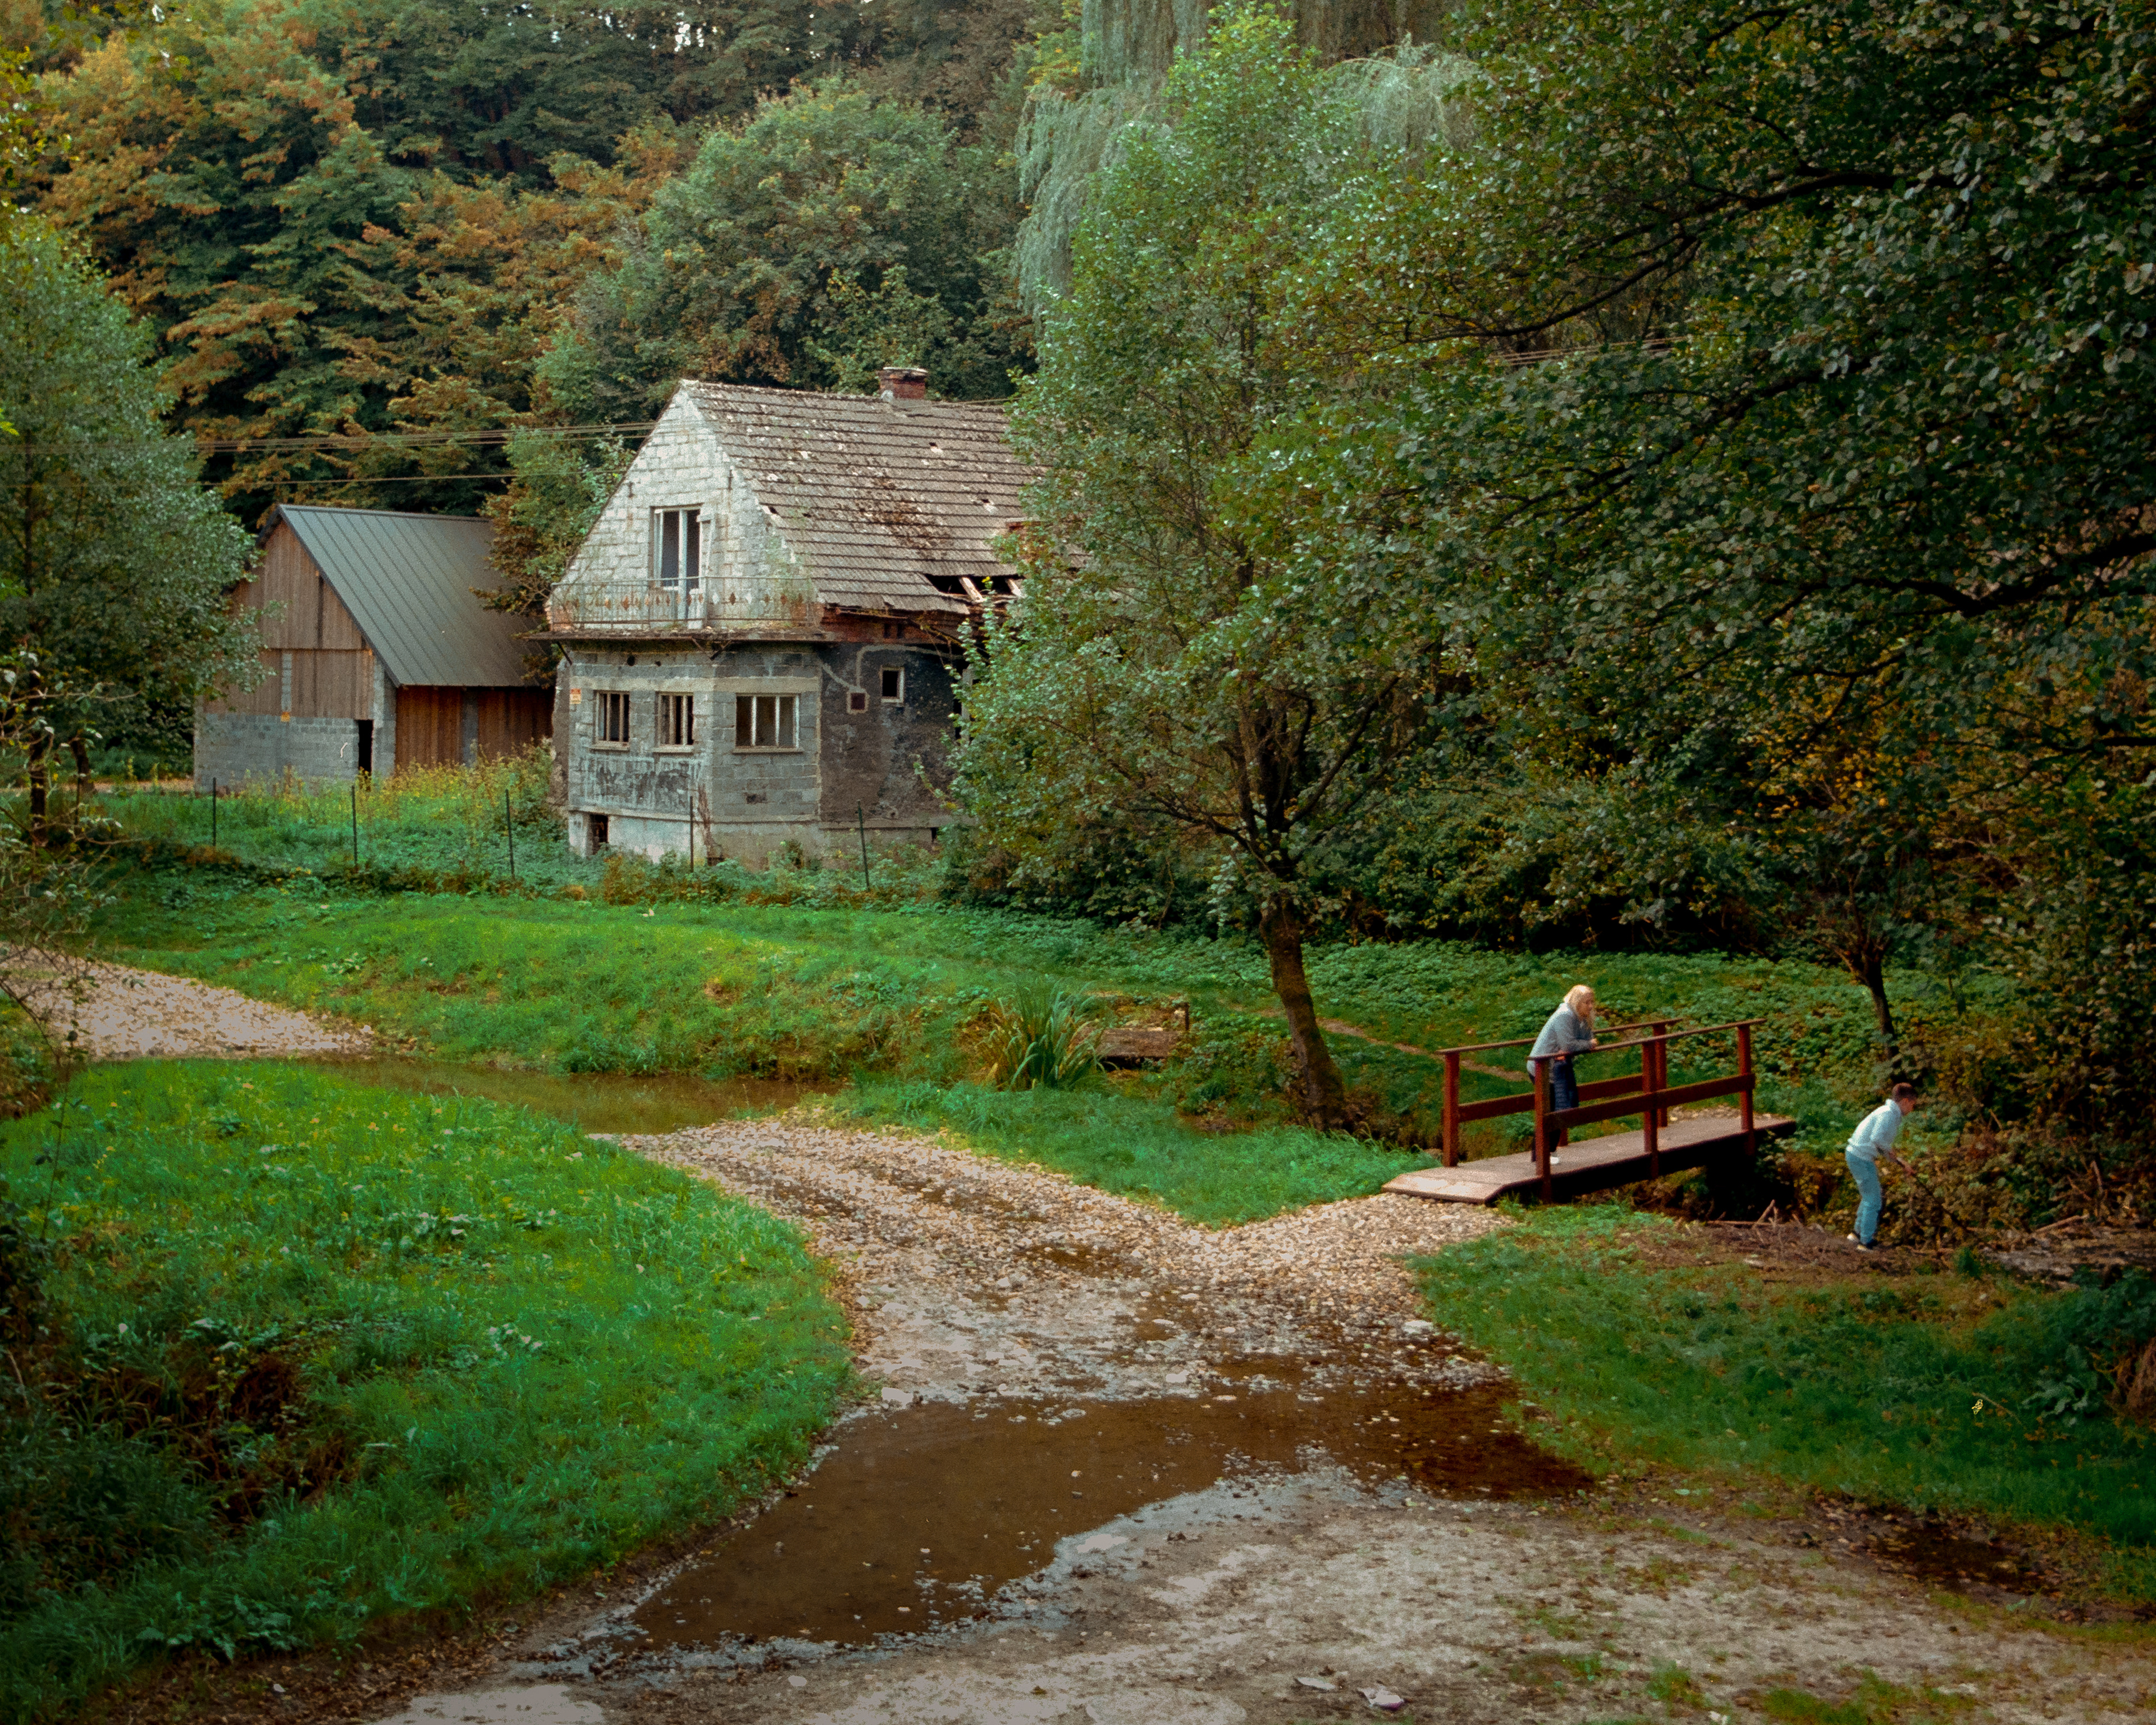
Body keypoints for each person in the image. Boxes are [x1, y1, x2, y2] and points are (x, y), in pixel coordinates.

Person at [1845, 1082, 1919, 1252]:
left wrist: (1901, 1163)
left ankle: (1856, 1234)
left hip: (1859, 1156)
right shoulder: (1888, 1115)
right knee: (1874, 1200)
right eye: (1913, 1105)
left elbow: (1881, 1145)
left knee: (1869, 1195)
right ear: (1906, 1101)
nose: (1912, 1110)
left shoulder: (1890, 1113)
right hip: (1860, 1157)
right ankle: (1865, 1242)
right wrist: (1892, 1153)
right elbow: (1877, 1139)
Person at [1530, 984, 1598, 1156]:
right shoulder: (1565, 1016)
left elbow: (1585, 1039)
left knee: (1561, 1107)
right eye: (1587, 1003)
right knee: (1550, 1111)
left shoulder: (1580, 1018)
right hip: (1543, 1068)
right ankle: (1539, 1154)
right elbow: (1570, 1045)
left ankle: (1549, 1151)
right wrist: (1588, 1045)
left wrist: (1586, 1043)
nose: (1590, 1006)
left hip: (1558, 1069)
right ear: (1577, 1002)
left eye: (1592, 1002)